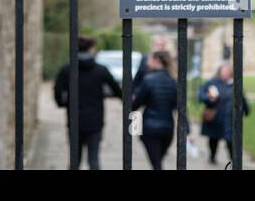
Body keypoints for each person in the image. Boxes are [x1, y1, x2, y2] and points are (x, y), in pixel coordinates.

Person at [53, 35, 121, 169]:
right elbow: (116, 89)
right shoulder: (101, 69)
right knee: (93, 160)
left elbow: (57, 90)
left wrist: (62, 103)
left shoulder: (67, 69)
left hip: (74, 119)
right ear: (91, 49)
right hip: (95, 120)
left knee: (74, 161)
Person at [131, 50, 177, 170]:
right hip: (168, 128)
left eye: (149, 60)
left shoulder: (148, 80)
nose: (147, 63)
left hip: (149, 128)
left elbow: (135, 105)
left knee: (156, 164)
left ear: (157, 61)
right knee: (157, 162)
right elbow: (179, 107)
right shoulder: (173, 81)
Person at [198, 62, 250, 166]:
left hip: (230, 118)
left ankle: (234, 161)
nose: (226, 73)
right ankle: (212, 157)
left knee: (230, 140)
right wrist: (209, 99)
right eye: (224, 70)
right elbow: (201, 96)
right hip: (215, 118)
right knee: (213, 140)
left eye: (228, 70)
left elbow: (242, 99)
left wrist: (246, 110)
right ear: (220, 71)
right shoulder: (212, 83)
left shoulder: (234, 84)